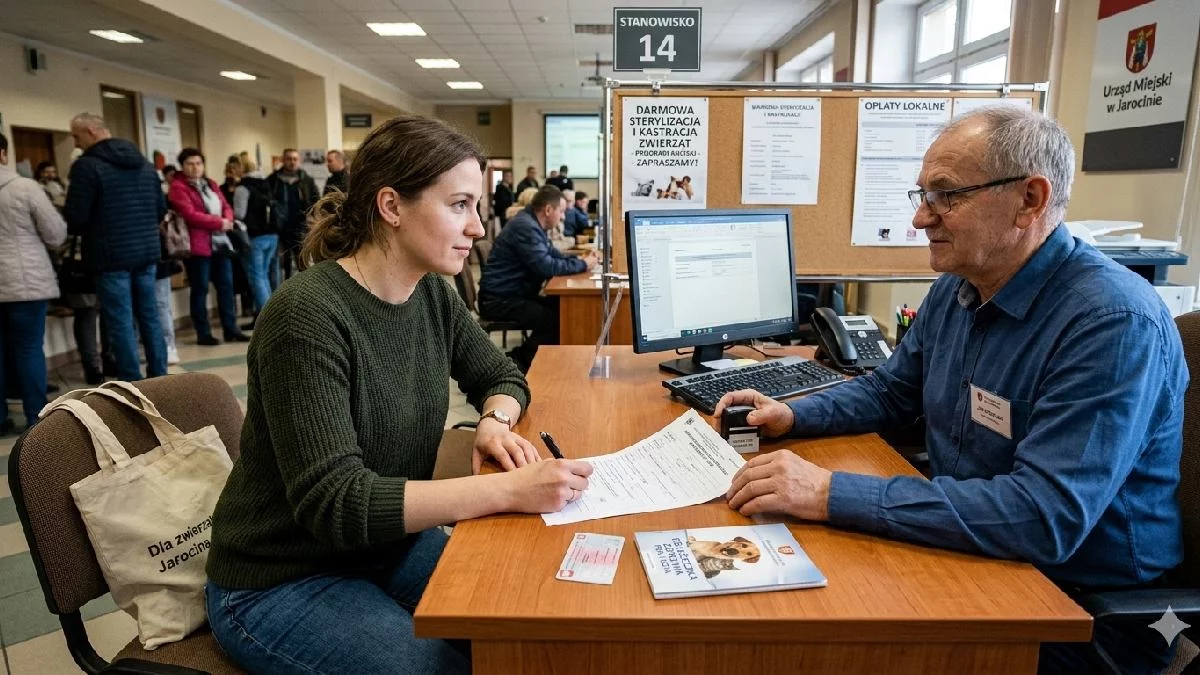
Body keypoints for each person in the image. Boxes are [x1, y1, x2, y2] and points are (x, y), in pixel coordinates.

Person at [714, 106, 1187, 675]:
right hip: (978, 557)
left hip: (1080, 612)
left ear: (1030, 201)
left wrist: (829, 493)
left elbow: (1044, 516)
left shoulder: (1110, 323)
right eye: (922, 194)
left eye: (946, 196)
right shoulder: (961, 286)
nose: (920, 219)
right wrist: (794, 415)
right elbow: (891, 394)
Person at [203, 115, 593, 674]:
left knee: (531, 620)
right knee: (446, 669)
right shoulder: (307, 316)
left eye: (476, 207)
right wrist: (508, 490)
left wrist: (495, 423)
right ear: (391, 207)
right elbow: (338, 504)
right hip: (280, 579)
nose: (478, 228)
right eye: (459, 205)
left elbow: (503, 377)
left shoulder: (431, 292)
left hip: (383, 546)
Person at [63, 112, 167, 381]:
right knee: (150, 315)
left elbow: (77, 217)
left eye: (76, 136)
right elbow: (160, 208)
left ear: (91, 132)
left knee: (120, 321)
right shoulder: (143, 163)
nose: (75, 143)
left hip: (109, 256)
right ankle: (159, 374)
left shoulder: (87, 166)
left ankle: (132, 382)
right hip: (146, 251)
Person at [477, 185, 598, 372]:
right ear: (549, 210)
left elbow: (553, 255)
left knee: (562, 310)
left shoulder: (531, 223)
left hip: (512, 293)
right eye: (561, 212)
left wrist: (579, 260)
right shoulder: (526, 227)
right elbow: (546, 266)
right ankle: (513, 364)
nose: (563, 217)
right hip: (500, 299)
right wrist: (583, 265)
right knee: (555, 321)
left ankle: (547, 362)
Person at [0, 132, 68, 434]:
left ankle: (0, 417)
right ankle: (34, 417)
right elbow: (56, 234)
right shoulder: (26, 188)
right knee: (29, 348)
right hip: (25, 283)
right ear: (3, 154)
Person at [167, 148, 248, 345]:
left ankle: (231, 328)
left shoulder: (210, 184)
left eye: (198, 163)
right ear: (183, 166)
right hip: (198, 246)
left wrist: (227, 220)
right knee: (200, 289)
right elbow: (190, 214)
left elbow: (225, 205)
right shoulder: (178, 187)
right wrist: (219, 223)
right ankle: (203, 332)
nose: (195, 168)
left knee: (226, 287)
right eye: (190, 164)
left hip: (221, 243)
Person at [233, 158, 278, 328]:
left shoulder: (243, 188)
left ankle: (267, 319)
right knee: (264, 275)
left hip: (255, 236)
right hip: (272, 235)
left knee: (256, 276)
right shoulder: (265, 183)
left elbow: (239, 214)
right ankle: (271, 314)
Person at [268, 148, 319, 279]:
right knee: (281, 265)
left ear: (299, 161)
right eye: (289, 159)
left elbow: (316, 200)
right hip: (279, 228)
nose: (292, 162)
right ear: (283, 160)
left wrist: (313, 219)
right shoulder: (273, 180)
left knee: (302, 262)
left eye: (295, 159)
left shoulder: (307, 180)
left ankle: (305, 290)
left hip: (301, 226)